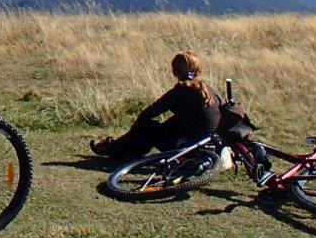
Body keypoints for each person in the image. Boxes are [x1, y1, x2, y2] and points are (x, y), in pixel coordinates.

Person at [89, 51, 223, 162]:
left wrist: (131, 134)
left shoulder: (180, 91)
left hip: (191, 148)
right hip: (214, 146)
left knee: (148, 126)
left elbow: (147, 114)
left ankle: (115, 149)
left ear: (174, 71)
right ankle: (125, 147)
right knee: (174, 122)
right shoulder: (209, 90)